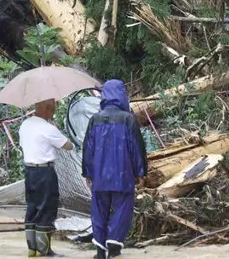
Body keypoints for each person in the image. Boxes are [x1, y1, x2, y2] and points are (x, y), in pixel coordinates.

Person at [82, 80, 147, 259]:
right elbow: (136, 148)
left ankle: (100, 251)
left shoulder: (95, 120)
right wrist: (140, 172)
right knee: (123, 207)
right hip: (123, 174)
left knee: (99, 211)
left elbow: (88, 148)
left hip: (100, 176)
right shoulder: (128, 119)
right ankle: (114, 243)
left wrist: (88, 172)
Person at [19, 98, 74, 257]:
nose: (55, 111)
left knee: (32, 207)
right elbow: (67, 145)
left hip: (29, 171)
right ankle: (45, 250)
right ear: (47, 108)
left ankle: (32, 249)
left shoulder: (25, 124)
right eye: (54, 108)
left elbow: (23, 145)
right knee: (47, 207)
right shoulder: (48, 128)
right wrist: (58, 133)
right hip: (45, 172)